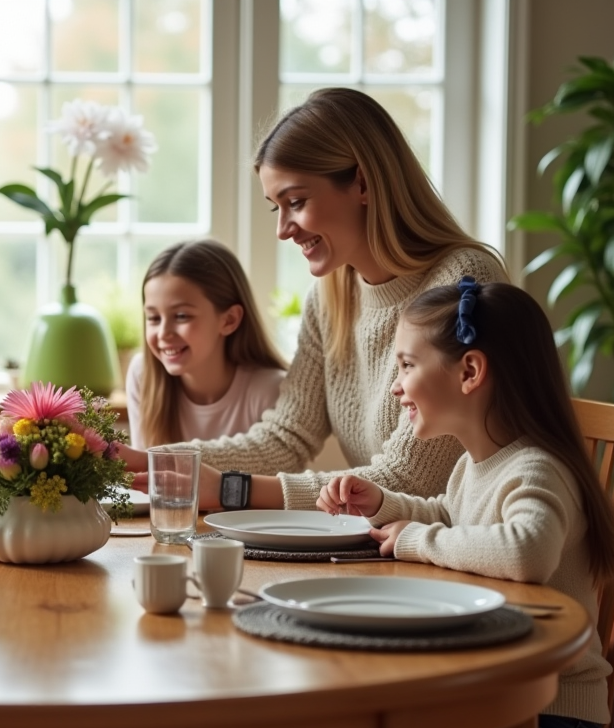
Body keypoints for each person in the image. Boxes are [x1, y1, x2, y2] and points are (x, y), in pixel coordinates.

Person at [234, 279, 614, 728]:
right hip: (490, 703)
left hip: (547, 722)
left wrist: (415, 537)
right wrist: (384, 505)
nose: (396, 386)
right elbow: (450, 515)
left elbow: (524, 551)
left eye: (406, 365)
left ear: (470, 372)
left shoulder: (537, 468)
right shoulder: (476, 464)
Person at [122, 88, 506, 512]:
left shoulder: (463, 281)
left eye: (297, 202)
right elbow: (287, 437)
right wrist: (153, 462)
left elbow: (410, 480)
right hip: (391, 544)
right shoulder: (331, 297)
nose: (283, 229)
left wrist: (231, 489)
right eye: (276, 208)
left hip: (470, 553)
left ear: (361, 182)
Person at [126, 238, 285, 449]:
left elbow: (276, 481)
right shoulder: (142, 375)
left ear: (229, 320)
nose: (163, 333)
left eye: (182, 316)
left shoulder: (269, 390)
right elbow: (144, 476)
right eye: (154, 318)